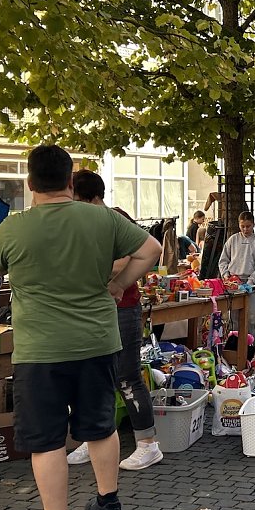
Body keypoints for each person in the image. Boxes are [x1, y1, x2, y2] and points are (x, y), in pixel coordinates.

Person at [0, 145, 162, 510]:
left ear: (30, 183)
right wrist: (118, 284)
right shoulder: (102, 219)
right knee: (99, 426)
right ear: (70, 180)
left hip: (39, 351)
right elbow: (152, 248)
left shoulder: (14, 226)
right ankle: (108, 502)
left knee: (46, 440)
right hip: (97, 342)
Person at [67, 170, 163, 472]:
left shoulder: (115, 218)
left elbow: (135, 256)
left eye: (75, 199)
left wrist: (109, 278)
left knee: (127, 376)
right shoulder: (76, 222)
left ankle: (148, 444)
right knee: (94, 377)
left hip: (123, 309)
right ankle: (95, 438)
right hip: (90, 309)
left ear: (91, 198)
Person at [217, 211, 255, 346]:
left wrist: (251, 282)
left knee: (253, 318)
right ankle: (235, 347)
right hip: (233, 282)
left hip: (250, 284)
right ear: (239, 225)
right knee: (234, 318)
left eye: (248, 226)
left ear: (253, 225)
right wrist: (226, 276)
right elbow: (223, 261)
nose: (245, 229)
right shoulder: (232, 239)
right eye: (243, 226)